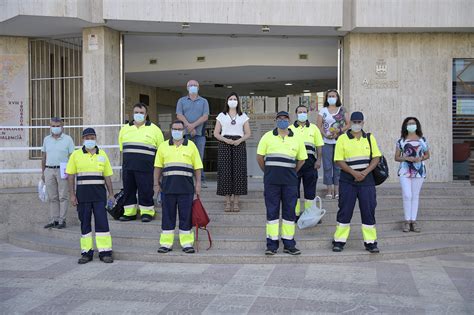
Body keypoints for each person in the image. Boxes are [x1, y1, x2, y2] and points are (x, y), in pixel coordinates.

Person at [257, 111, 307, 256]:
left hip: (290, 183)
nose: (282, 121)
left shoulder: (296, 138)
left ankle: (289, 244)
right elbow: (260, 157)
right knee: (272, 212)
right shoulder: (267, 136)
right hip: (271, 182)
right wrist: (268, 172)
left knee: (289, 213)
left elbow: (302, 160)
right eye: (280, 119)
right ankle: (271, 245)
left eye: (285, 119)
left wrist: (291, 172)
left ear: (289, 120)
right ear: (276, 120)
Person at [332, 112, 382, 253]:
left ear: (363, 123)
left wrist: (365, 173)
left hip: (367, 180)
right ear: (350, 123)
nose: (356, 124)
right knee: (345, 210)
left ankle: (370, 242)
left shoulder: (369, 138)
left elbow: (376, 158)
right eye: (354, 121)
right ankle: (339, 241)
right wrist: (354, 173)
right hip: (348, 179)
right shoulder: (342, 139)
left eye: (359, 121)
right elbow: (339, 160)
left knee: (368, 210)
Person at [66, 128, 115, 264]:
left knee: (102, 224)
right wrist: (72, 195)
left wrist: (111, 194)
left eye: (92, 137)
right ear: (82, 139)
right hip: (83, 197)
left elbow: (107, 176)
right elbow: (70, 176)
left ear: (95, 138)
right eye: (87, 138)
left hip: (99, 197)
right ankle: (86, 253)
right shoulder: (75, 155)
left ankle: (105, 252)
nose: (89, 140)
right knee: (85, 224)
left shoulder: (103, 154)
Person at [154, 120, 203, 254]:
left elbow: (198, 167)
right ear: (171, 130)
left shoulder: (191, 146)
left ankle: (187, 244)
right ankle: (166, 244)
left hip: (186, 189)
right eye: (175, 129)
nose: (177, 131)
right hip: (168, 188)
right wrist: (156, 184)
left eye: (179, 129)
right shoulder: (163, 146)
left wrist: (198, 184)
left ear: (184, 131)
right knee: (167, 216)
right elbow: (157, 167)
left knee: (185, 216)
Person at [118, 103, 164, 222]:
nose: (139, 115)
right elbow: (122, 149)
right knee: (128, 190)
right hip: (128, 167)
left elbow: (161, 151)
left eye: (141, 113)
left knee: (146, 190)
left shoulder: (155, 130)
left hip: (147, 168)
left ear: (146, 114)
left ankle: (147, 212)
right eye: (136, 112)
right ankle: (129, 212)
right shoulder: (124, 129)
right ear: (133, 114)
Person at [213, 92, 251, 212]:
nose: (233, 100)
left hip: (239, 144)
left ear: (238, 101)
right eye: (231, 99)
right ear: (227, 101)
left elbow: (248, 133)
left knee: (238, 172)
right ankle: (227, 202)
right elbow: (216, 133)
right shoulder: (221, 115)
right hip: (225, 144)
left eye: (235, 99)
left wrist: (239, 140)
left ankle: (236, 202)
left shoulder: (243, 116)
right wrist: (225, 140)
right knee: (225, 173)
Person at [395, 117, 430, 233]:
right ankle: (406, 220)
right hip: (405, 170)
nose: (411, 125)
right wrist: (406, 158)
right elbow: (396, 157)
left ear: (417, 125)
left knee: (415, 195)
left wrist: (420, 158)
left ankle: (413, 221)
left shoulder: (422, 139)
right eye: (409, 123)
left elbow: (427, 155)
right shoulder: (401, 140)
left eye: (413, 123)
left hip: (419, 171)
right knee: (407, 195)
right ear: (405, 126)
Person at [289, 105, 324, 219]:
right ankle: (295, 214)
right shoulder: (290, 129)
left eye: (304, 112)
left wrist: (318, 160)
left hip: (310, 164)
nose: (302, 114)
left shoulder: (314, 128)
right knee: (294, 191)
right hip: (295, 164)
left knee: (310, 192)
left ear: (307, 113)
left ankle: (310, 215)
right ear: (296, 113)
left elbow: (319, 146)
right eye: (300, 112)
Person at [41, 117, 75, 229]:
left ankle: (62, 220)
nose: (55, 128)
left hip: (63, 170)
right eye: (53, 126)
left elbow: (72, 157)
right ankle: (54, 219)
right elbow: (44, 156)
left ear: (62, 126)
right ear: (50, 127)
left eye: (58, 126)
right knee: (52, 197)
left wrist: (71, 171)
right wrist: (43, 172)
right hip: (49, 170)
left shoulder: (68, 139)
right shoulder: (46, 139)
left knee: (63, 196)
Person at [316, 89, 350, 199]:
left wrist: (338, 132)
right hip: (326, 142)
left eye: (333, 96)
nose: (331, 98)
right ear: (326, 98)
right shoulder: (323, 110)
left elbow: (348, 124)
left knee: (338, 167)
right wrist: (325, 135)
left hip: (339, 141)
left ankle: (338, 190)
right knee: (327, 167)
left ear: (337, 97)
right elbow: (319, 125)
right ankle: (329, 191)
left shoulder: (342, 110)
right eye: (329, 96)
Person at [176, 80, 209, 188]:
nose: (193, 87)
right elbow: (179, 115)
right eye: (191, 85)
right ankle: (188, 180)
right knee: (186, 156)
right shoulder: (181, 101)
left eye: (195, 85)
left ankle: (201, 180)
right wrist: (189, 126)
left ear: (198, 87)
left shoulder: (204, 101)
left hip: (200, 134)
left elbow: (205, 117)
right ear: (187, 87)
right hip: (185, 134)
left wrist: (193, 126)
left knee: (199, 157)